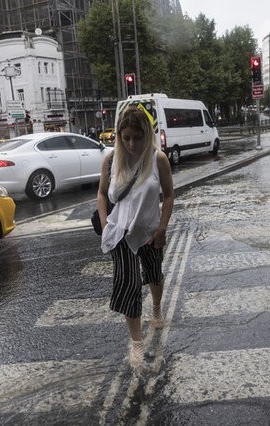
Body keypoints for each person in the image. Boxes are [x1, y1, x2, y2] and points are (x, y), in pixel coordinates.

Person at [96, 106, 174, 370]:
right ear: (119, 135)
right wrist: (106, 223)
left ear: (147, 134)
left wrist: (162, 227)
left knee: (154, 274)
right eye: (125, 137)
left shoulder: (157, 158)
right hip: (120, 234)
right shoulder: (110, 159)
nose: (131, 143)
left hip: (150, 232)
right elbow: (101, 194)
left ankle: (156, 307)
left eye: (137, 137)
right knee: (129, 286)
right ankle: (137, 343)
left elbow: (169, 194)